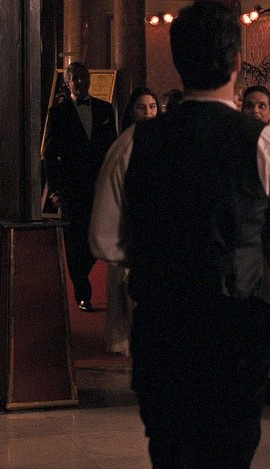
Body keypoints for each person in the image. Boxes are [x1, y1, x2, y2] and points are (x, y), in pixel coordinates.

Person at [89, 1, 270, 467]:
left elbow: (104, 242)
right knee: (229, 453)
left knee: (170, 453)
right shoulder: (266, 142)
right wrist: (251, 257)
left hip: (161, 328)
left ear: (178, 62)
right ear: (238, 63)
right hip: (235, 329)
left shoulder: (133, 142)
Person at [44, 61, 117, 312]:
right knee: (75, 241)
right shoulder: (58, 113)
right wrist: (54, 189)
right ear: (67, 83)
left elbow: (113, 149)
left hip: (99, 186)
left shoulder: (105, 109)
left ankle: (82, 276)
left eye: (84, 76)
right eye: (75, 78)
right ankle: (82, 292)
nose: (81, 81)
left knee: (98, 238)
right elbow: (50, 155)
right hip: (71, 188)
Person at [104, 86, 162, 356]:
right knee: (125, 280)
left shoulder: (165, 141)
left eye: (152, 107)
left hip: (157, 217)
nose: (148, 112)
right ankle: (127, 335)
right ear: (132, 111)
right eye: (142, 107)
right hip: (129, 216)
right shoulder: (124, 143)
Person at [239, 84, 270, 406]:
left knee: (267, 316)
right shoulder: (232, 144)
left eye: (261, 106)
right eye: (249, 105)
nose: (255, 111)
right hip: (240, 244)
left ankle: (263, 378)